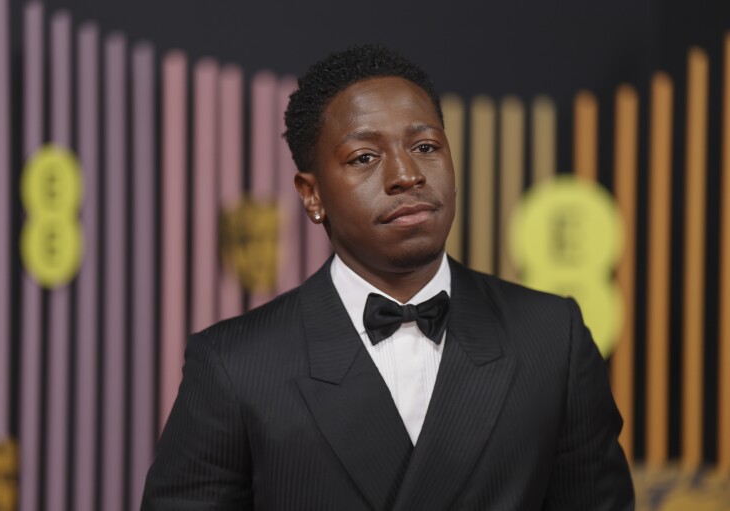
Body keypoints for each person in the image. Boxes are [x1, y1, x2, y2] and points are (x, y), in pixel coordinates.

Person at [141, 44, 634, 510]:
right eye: (364, 158)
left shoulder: (552, 336)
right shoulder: (235, 364)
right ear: (311, 195)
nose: (406, 174)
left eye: (424, 146)